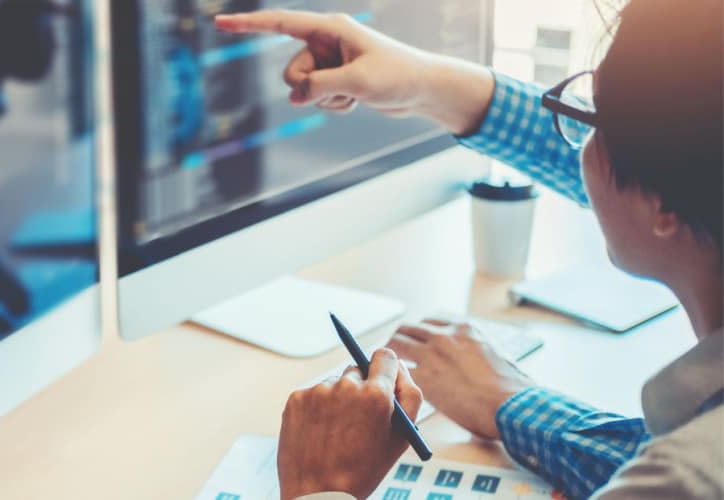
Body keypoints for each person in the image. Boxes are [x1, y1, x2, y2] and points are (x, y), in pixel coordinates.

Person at [215, 0, 722, 498]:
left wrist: (320, 486)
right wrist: (424, 83)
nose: (579, 143)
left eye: (591, 120)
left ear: (664, 201)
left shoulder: (685, 476)